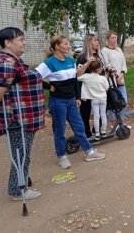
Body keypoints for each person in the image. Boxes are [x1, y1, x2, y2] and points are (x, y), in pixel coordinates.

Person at [0, 27, 44, 200]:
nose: (24, 42)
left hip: (26, 116)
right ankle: (18, 190)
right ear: (7, 43)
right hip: (18, 118)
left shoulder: (14, 61)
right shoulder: (7, 63)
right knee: (21, 154)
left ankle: (22, 181)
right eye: (20, 39)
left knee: (22, 153)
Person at [36, 35, 105, 169]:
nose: (69, 46)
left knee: (79, 127)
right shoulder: (49, 63)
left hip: (71, 100)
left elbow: (75, 79)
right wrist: (48, 86)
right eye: (66, 44)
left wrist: (77, 97)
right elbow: (34, 78)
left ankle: (89, 152)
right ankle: (61, 156)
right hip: (58, 102)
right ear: (56, 46)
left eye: (68, 44)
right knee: (60, 130)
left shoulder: (69, 60)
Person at [76, 33, 106, 138]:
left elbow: (102, 71)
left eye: (97, 40)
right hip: (86, 91)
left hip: (99, 90)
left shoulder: (99, 56)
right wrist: (87, 63)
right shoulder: (82, 57)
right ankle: (86, 134)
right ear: (89, 43)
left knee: (101, 111)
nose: (97, 42)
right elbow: (78, 74)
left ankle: (97, 130)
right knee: (85, 112)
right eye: (94, 40)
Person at [101, 30, 129, 126]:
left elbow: (124, 65)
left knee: (124, 101)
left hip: (121, 79)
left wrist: (121, 74)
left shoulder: (119, 50)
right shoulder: (104, 51)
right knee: (113, 102)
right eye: (112, 38)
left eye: (115, 37)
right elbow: (107, 65)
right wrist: (115, 75)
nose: (114, 39)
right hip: (111, 81)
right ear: (108, 39)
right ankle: (113, 122)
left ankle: (119, 122)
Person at [77, 59, 110, 141]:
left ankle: (97, 134)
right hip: (103, 99)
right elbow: (107, 87)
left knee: (96, 116)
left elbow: (78, 77)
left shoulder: (86, 77)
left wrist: (82, 67)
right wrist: (105, 78)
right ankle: (103, 131)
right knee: (103, 115)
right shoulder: (102, 78)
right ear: (98, 69)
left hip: (94, 100)